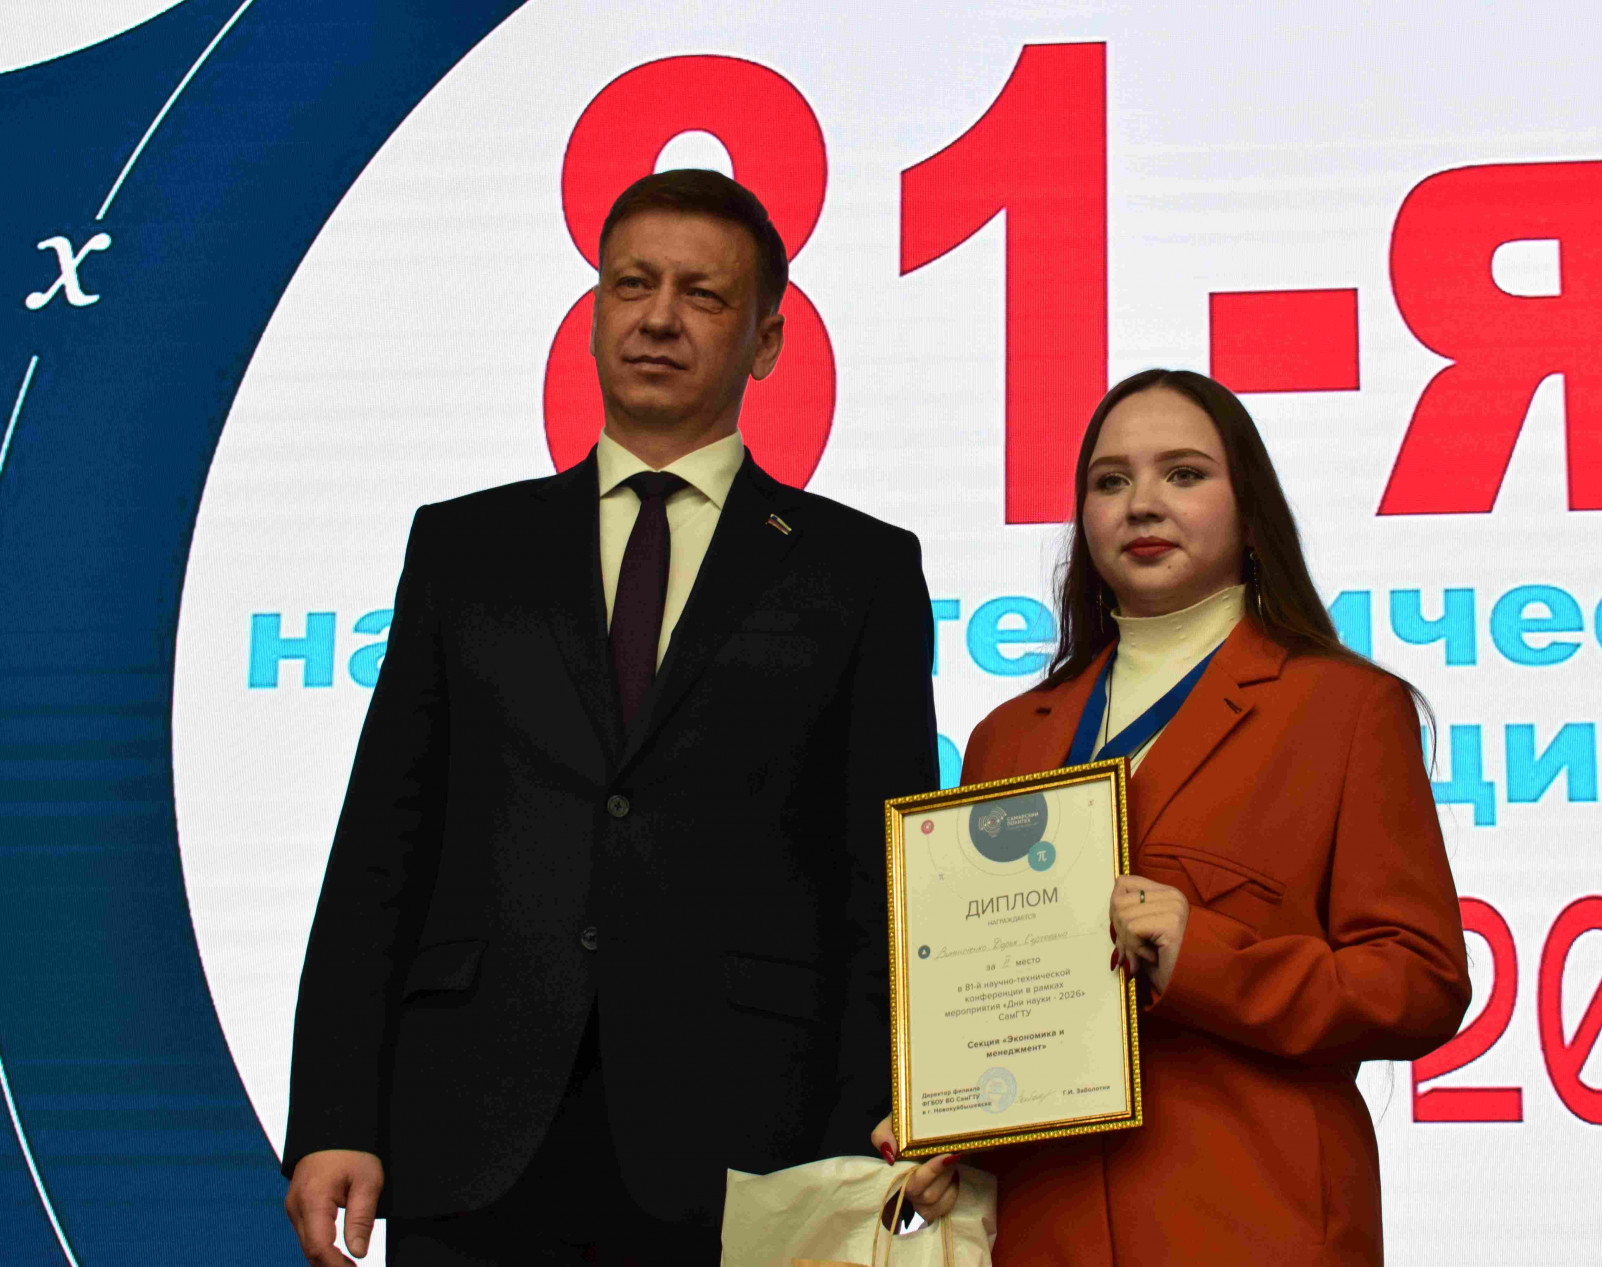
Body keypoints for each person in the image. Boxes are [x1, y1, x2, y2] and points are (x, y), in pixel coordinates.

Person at [282, 168, 939, 1266]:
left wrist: (868, 1129)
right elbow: (381, 852)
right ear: (594, 314)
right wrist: (335, 1114)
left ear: (767, 341)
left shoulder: (857, 569)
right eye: (632, 283)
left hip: (750, 1145)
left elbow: (883, 877)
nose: (659, 317)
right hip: (472, 1132)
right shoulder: (464, 549)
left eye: (702, 294)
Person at [874, 368, 1470, 1264]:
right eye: (1110, 480)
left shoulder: (1345, 709)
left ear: (1250, 511)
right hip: (1046, 1230)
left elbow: (1420, 984)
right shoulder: (1007, 737)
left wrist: (1207, 957)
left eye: (1183, 474)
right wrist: (948, 1123)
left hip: (1257, 1226)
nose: (1142, 503)